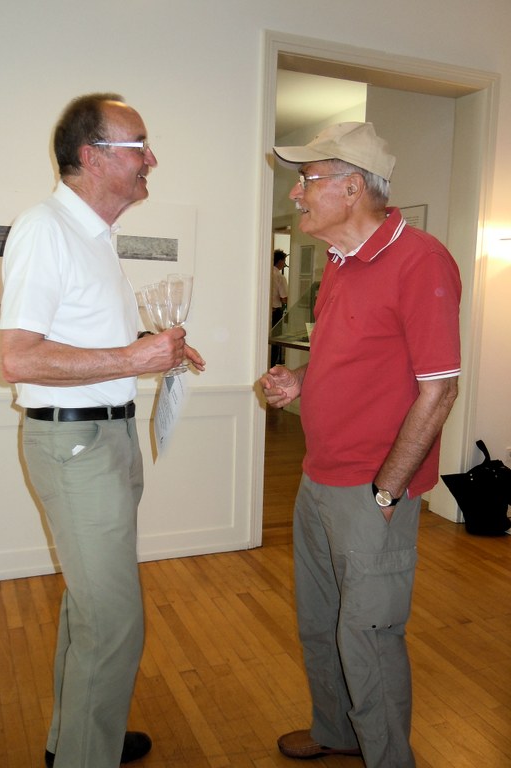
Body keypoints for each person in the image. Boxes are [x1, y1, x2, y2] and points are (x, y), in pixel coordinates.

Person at [0, 93, 205, 768]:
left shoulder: (91, 237)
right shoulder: (45, 229)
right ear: (92, 157)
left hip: (104, 440)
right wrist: (132, 359)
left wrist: (151, 348)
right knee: (114, 622)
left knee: (90, 611)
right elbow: (18, 359)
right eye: (138, 145)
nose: (152, 159)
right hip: (76, 446)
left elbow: (79, 344)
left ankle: (77, 744)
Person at [259, 122, 461, 767]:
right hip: (318, 476)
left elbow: (439, 391)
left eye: (307, 179)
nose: (296, 194)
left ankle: (387, 758)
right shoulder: (341, 263)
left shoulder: (421, 261)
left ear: (352, 188)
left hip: (371, 490)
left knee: (369, 636)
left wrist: (386, 493)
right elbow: (348, 356)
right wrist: (301, 380)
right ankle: (337, 731)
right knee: (320, 622)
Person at [270, 249, 288, 366]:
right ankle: (272, 365)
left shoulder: (266, 273)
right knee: (275, 340)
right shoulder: (280, 277)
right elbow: (284, 298)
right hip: (276, 312)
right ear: (280, 261)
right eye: (284, 261)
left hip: (266, 312)